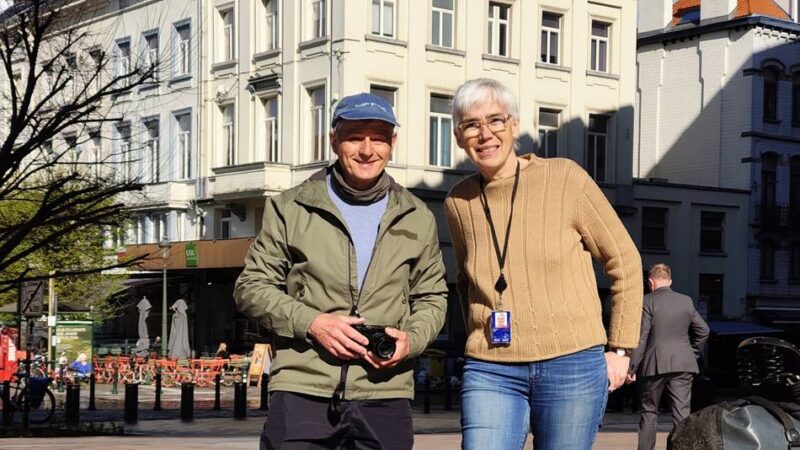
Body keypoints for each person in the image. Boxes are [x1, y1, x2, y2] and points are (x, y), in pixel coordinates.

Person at [234, 92, 448, 450]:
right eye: (354, 136)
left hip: (385, 389)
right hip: (303, 390)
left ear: (392, 143)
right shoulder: (290, 207)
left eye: (378, 138)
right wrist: (312, 324)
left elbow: (432, 296)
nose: (367, 150)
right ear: (333, 139)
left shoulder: (417, 216)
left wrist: (412, 340)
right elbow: (251, 287)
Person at [444, 78, 643, 450]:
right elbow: (465, 280)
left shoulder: (565, 178)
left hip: (572, 364)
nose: (485, 134)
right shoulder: (459, 202)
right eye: (471, 124)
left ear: (515, 126)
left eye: (496, 120)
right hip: (491, 366)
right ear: (458, 136)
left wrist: (620, 350)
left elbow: (624, 261)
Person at [627, 263, 710, 450]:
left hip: (654, 364)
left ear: (650, 282)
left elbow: (642, 336)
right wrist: (693, 352)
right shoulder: (686, 301)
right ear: (670, 281)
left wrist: (633, 366)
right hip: (683, 364)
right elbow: (704, 330)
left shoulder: (647, 301)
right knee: (682, 414)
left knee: (649, 412)